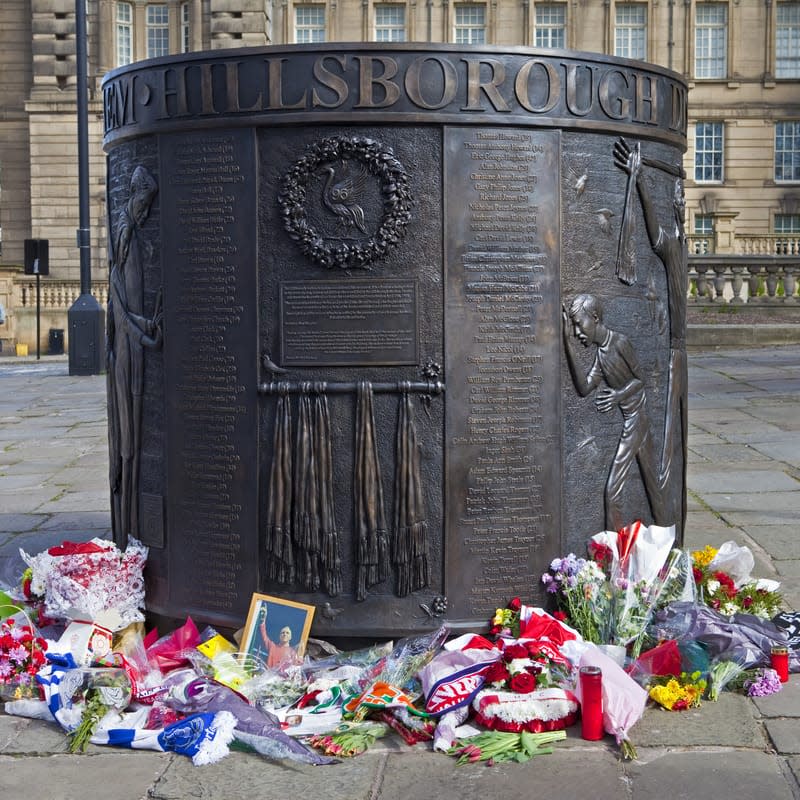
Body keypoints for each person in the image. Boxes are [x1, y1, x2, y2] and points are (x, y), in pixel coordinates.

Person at [613, 137, 688, 536]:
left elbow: (662, 235)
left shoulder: (681, 247)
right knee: (666, 453)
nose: (680, 201)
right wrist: (640, 179)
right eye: (677, 196)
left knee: (670, 453)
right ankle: (665, 526)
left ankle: (667, 527)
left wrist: (642, 177)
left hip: (677, 357)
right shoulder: (675, 246)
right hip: (674, 357)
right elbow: (656, 233)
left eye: (679, 196)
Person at [562, 293, 666, 531]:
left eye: (579, 325)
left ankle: (612, 553)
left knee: (612, 492)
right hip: (633, 421)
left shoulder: (619, 343)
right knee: (653, 487)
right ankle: (666, 533)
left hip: (637, 420)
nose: (578, 332)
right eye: (574, 327)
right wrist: (568, 343)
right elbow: (584, 387)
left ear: (595, 318)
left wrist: (618, 395)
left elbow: (641, 379)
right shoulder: (601, 354)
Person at [107, 166, 162, 550]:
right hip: (128, 349)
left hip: (137, 339)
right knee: (129, 442)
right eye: (145, 203)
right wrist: (143, 330)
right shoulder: (125, 235)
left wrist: (145, 324)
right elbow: (117, 299)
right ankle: (128, 531)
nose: (147, 211)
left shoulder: (134, 233)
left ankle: (129, 531)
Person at [256, 605, 300, 670]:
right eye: (283, 632)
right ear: (279, 636)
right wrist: (263, 620)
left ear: (290, 637)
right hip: (268, 677)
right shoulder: (272, 646)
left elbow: (296, 668)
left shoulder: (293, 652)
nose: (285, 634)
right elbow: (264, 634)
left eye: (287, 633)